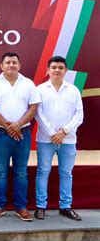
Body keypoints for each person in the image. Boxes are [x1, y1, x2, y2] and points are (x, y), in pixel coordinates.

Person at [0, 52, 40, 222]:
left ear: (19, 65)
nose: (11, 65)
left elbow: (33, 108)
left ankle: (21, 207)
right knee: (0, 171)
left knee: (21, 172)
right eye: (8, 62)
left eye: (14, 62)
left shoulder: (28, 84)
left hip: (23, 134)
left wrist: (18, 125)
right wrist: (9, 126)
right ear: (1, 66)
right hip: (1, 134)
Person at [34, 56, 83, 221]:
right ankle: (41, 206)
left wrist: (65, 131)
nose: (57, 70)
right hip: (45, 139)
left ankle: (65, 206)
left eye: (60, 67)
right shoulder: (40, 89)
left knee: (66, 173)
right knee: (43, 172)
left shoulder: (73, 90)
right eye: (53, 67)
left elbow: (79, 114)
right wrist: (52, 133)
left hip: (68, 140)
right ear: (47, 70)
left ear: (65, 71)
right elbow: (38, 113)